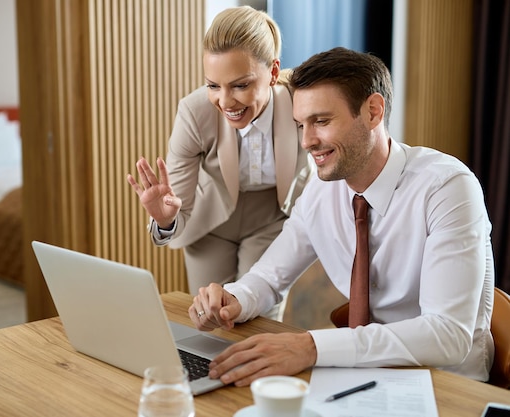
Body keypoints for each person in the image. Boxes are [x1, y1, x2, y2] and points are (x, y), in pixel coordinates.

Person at [188, 47, 495, 386]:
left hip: (448, 385)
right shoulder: (321, 192)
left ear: (373, 112)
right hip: (363, 377)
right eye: (300, 124)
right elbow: (269, 277)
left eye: (321, 121)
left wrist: (311, 346)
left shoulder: (447, 188)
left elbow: (447, 335)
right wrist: (235, 299)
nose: (307, 141)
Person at [126, 6, 312, 314]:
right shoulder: (194, 112)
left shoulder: (299, 104)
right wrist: (165, 219)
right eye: (213, 85)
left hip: (271, 218)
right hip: (209, 221)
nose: (225, 102)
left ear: (274, 73)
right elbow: (178, 205)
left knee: (260, 316)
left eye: (241, 85)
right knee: (211, 316)